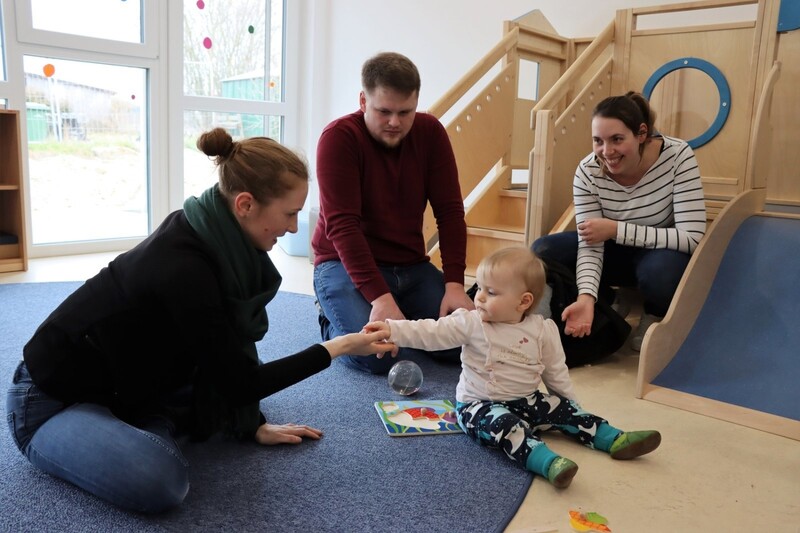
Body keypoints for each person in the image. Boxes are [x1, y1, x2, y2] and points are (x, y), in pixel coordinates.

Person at [5, 128, 395, 514]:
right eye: (290, 213)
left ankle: (160, 416)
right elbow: (241, 383)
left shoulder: (212, 232)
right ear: (245, 204)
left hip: (127, 385)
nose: (294, 227)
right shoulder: (184, 268)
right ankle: (159, 421)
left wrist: (248, 420)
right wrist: (340, 344)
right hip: (52, 399)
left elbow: (229, 354)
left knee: (216, 383)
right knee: (161, 480)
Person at [365, 246, 661, 489]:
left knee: (563, 408)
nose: (479, 296)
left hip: (526, 400)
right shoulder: (471, 322)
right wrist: (393, 330)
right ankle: (547, 462)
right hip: (477, 407)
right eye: (480, 287)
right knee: (508, 428)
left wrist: (570, 407)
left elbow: (556, 372)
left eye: (491, 292)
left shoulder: (543, 330)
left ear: (524, 301)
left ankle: (613, 438)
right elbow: (430, 332)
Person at [311, 51, 474, 374]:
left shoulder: (431, 134)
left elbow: (451, 213)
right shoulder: (338, 139)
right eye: (383, 111)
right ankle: (331, 317)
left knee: (463, 342)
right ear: (362, 100)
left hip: (411, 266)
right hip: (342, 264)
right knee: (377, 356)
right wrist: (379, 297)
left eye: (405, 112)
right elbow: (343, 227)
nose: (395, 122)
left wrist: (455, 283)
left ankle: (397, 313)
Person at [532, 91, 706, 351]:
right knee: (543, 249)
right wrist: (586, 296)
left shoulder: (677, 156)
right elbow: (590, 244)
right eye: (598, 141)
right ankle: (607, 300)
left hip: (658, 252)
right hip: (612, 249)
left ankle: (655, 314)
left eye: (617, 139)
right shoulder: (588, 171)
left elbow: (692, 238)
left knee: (661, 272)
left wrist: (616, 229)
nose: (607, 151)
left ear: (642, 134)